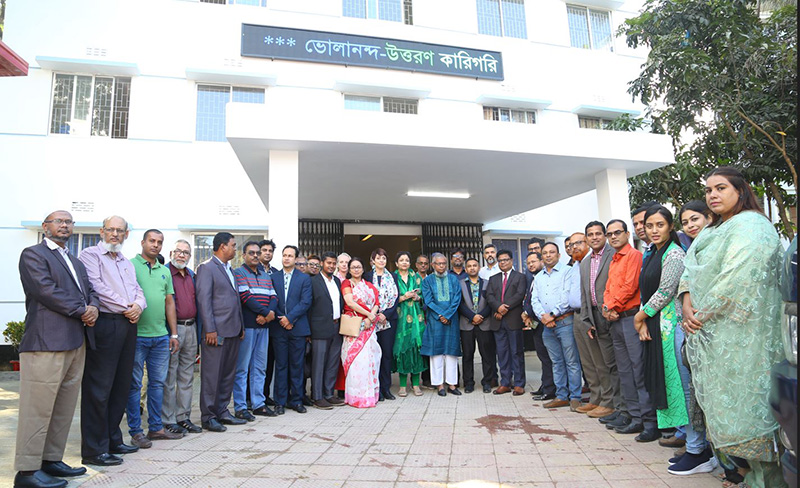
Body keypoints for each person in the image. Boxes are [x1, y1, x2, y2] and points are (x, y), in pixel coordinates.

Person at [679, 167, 787, 487]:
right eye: (709, 189)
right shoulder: (712, 231)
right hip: (715, 336)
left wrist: (702, 314)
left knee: (754, 410)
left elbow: (739, 276)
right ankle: (747, 475)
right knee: (728, 412)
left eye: (721, 188)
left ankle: (769, 481)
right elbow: (691, 268)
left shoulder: (753, 226)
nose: (713, 195)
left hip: (748, 337)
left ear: (740, 190)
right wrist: (686, 301)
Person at [14, 211, 99, 488]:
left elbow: (90, 290)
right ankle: (27, 472)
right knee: (36, 408)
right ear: (45, 226)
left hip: (76, 341)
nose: (64, 225)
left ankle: (50, 460)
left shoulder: (74, 260)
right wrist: (82, 310)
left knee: (62, 408)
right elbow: (45, 290)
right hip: (45, 342)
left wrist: (94, 307)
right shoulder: (33, 254)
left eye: (68, 222)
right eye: (58, 221)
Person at [79, 215, 146, 467]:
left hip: (128, 324)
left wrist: (138, 306)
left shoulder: (126, 263)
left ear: (126, 234)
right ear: (101, 231)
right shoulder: (90, 255)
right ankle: (94, 450)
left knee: (121, 384)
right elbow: (96, 288)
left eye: (120, 230)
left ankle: (112, 439)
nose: (115, 234)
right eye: (110, 230)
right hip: (106, 323)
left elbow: (137, 289)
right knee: (99, 387)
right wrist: (126, 307)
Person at [602, 219, 658, 442]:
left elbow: (630, 286)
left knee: (638, 371)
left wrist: (612, 305)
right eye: (610, 234)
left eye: (617, 232)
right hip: (615, 319)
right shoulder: (614, 259)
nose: (613, 237)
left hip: (630, 318)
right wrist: (607, 308)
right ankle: (634, 417)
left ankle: (649, 421)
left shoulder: (634, 256)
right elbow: (608, 288)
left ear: (627, 234)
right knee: (624, 372)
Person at [127, 230, 183, 448]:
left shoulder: (165, 271)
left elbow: (169, 302)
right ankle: (135, 430)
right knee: (133, 385)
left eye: (159, 242)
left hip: (160, 337)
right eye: (152, 241)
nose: (156, 245)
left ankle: (156, 428)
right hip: (136, 335)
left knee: (158, 384)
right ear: (143, 242)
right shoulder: (129, 265)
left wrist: (174, 333)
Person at [196, 232, 246, 432]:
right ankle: (208, 416)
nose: (235, 249)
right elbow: (204, 300)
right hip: (216, 332)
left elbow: (235, 301)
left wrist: (241, 326)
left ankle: (223, 411)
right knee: (211, 375)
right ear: (222, 246)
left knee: (227, 374)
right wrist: (210, 329)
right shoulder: (207, 268)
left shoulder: (230, 270)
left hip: (233, 330)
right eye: (233, 245)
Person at [529, 243, 582, 410]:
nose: (548, 255)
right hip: (547, 326)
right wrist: (543, 318)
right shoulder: (538, 277)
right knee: (556, 362)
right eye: (545, 253)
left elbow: (567, 297)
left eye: (552, 252)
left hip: (565, 322)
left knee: (571, 361)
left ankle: (575, 397)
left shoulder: (568, 272)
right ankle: (561, 396)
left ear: (558, 255)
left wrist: (552, 315)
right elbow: (534, 299)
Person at [576, 221, 619, 420]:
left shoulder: (614, 256)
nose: (594, 237)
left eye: (598, 234)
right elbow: (585, 293)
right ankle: (599, 399)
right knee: (596, 363)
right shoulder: (585, 262)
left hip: (611, 315)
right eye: (590, 234)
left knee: (610, 363)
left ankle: (612, 403)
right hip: (591, 316)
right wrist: (586, 318)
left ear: (604, 236)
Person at [232, 241, 277, 421]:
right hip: (248, 326)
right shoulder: (239, 273)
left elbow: (273, 296)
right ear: (243, 255)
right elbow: (246, 297)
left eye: (258, 253)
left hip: (263, 327)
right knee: (242, 368)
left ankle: (259, 404)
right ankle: (241, 406)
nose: (256, 256)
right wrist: (266, 313)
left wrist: (268, 316)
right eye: (251, 253)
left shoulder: (265, 275)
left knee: (260, 367)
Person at [163, 240, 203, 435]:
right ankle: (168, 419)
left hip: (191, 328)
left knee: (187, 376)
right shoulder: (164, 274)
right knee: (170, 376)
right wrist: (172, 333)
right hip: (173, 330)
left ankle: (183, 417)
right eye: (178, 251)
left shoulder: (191, 276)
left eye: (186, 253)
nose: (181, 255)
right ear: (172, 252)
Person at [272, 245, 313, 414]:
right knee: (281, 366)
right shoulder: (273, 277)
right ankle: (280, 402)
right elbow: (271, 299)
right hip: (278, 327)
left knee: (297, 366)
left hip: (298, 328)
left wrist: (290, 318)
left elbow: (306, 302)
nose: (287, 258)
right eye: (284, 255)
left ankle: (296, 400)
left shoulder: (304, 279)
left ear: (296, 259)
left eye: (290, 255)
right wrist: (282, 318)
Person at [340, 257, 382, 407]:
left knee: (371, 360)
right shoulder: (347, 283)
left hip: (369, 329)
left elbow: (377, 303)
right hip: (355, 327)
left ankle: (370, 395)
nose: (356, 269)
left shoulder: (370, 286)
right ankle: (355, 397)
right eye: (353, 267)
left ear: (363, 269)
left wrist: (371, 316)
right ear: (349, 269)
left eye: (359, 267)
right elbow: (350, 302)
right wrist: (369, 314)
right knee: (357, 363)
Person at [420, 253, 463, 396]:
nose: (442, 266)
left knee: (451, 353)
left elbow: (457, 298)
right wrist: (441, 314)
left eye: (444, 263)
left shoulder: (453, 279)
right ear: (432, 265)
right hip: (435, 320)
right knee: (436, 353)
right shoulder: (427, 281)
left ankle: (451, 384)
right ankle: (439, 385)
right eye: (438, 264)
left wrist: (448, 315)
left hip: (451, 320)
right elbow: (428, 301)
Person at [485, 249, 527, 395]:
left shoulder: (520, 277)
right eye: (500, 260)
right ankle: (505, 382)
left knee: (516, 352)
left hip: (513, 320)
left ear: (512, 260)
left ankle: (519, 383)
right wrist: (498, 307)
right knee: (502, 353)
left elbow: (519, 294)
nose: (503, 262)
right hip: (497, 321)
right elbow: (489, 296)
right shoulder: (493, 278)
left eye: (506, 260)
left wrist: (504, 308)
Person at [308, 252, 345, 409]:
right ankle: (317, 396)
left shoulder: (336, 281)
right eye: (328, 263)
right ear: (322, 263)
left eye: (333, 263)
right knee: (319, 363)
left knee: (332, 362)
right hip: (319, 328)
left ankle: (329, 394)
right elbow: (308, 307)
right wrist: (309, 332)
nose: (331, 265)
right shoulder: (313, 282)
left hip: (336, 327)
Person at [364, 248, 400, 401]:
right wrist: (375, 315)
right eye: (378, 258)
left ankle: (386, 388)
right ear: (372, 260)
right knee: (372, 355)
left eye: (384, 258)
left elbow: (396, 297)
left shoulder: (392, 276)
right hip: (371, 321)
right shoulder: (367, 276)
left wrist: (386, 314)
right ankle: (374, 389)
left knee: (386, 355)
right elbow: (364, 297)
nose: (381, 260)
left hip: (388, 320)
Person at [458, 257, 496, 394]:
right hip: (466, 324)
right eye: (469, 266)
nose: (472, 268)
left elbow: (491, 302)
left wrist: (481, 316)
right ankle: (468, 383)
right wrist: (471, 316)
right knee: (467, 355)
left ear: (479, 267)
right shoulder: (460, 283)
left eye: (475, 265)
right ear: (466, 269)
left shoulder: (487, 283)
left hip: (484, 323)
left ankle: (487, 382)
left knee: (487, 355)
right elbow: (459, 303)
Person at [522, 251, 556, 401]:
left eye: (533, 261)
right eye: (528, 263)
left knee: (550, 357)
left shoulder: (545, 278)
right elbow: (530, 299)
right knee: (542, 357)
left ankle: (551, 389)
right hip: (537, 323)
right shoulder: (533, 278)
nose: (531, 265)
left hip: (546, 321)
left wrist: (527, 312)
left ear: (541, 261)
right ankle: (546, 385)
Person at [393, 251, 427, 397]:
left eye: (407, 260)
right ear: (396, 263)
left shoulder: (417, 277)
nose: (405, 262)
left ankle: (415, 384)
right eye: (401, 260)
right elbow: (389, 299)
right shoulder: (393, 278)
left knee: (416, 349)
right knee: (402, 349)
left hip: (417, 319)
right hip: (400, 319)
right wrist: (404, 297)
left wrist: (418, 297)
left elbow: (425, 295)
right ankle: (402, 385)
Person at [257, 239, 279, 408]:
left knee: (269, 361)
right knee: (253, 363)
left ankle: (264, 394)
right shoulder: (251, 270)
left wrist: (269, 315)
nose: (267, 253)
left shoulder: (276, 273)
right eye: (264, 250)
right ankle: (251, 397)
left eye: (270, 250)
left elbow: (276, 297)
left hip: (272, 324)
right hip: (255, 322)